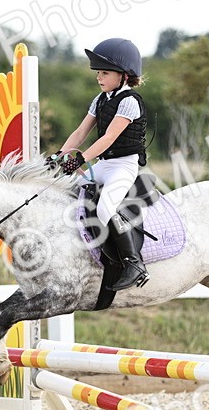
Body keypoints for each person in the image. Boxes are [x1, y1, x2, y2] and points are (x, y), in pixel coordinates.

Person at [52, 37, 149, 291]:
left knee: (106, 208)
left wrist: (80, 159)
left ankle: (134, 263)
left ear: (124, 75)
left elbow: (108, 138)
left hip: (124, 166)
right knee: (66, 191)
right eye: (98, 73)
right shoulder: (101, 99)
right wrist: (59, 155)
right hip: (104, 164)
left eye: (104, 73)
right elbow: (80, 132)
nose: (99, 77)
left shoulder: (129, 101)